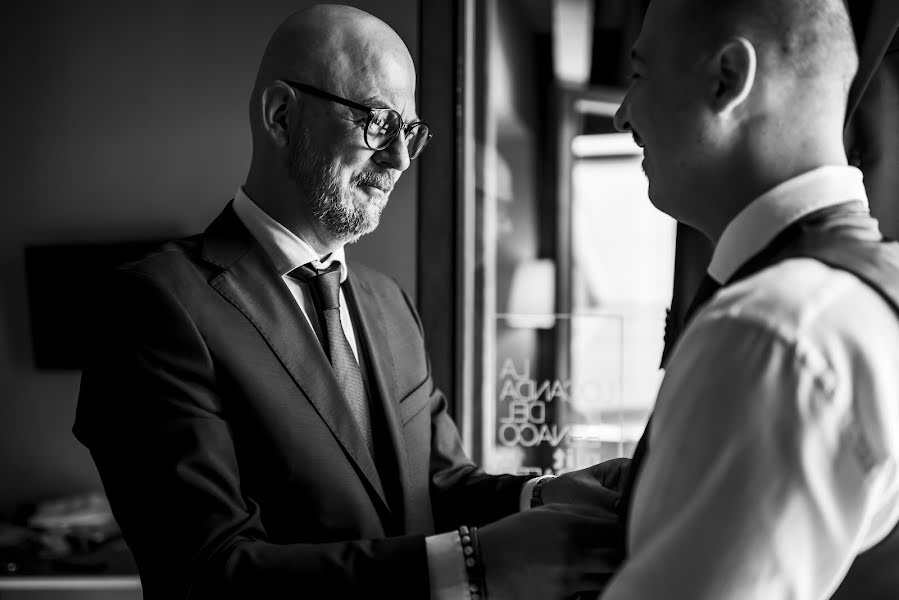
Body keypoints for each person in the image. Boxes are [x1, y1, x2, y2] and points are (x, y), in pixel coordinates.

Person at [74, 4, 624, 599]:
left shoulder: (389, 305)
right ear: (281, 115)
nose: (400, 160)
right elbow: (206, 573)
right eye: (379, 123)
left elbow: (435, 485)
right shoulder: (154, 304)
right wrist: (470, 565)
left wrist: (541, 495)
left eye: (410, 132)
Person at [602, 0, 899, 598]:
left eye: (638, 75)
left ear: (728, 79)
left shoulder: (772, 332)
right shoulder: (871, 282)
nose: (621, 114)